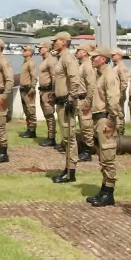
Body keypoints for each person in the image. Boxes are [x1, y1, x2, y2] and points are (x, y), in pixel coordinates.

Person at [87, 47, 121, 207]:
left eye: (95, 57)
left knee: (108, 158)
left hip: (105, 119)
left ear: (103, 59)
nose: (92, 59)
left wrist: (111, 122)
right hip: (98, 119)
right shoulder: (100, 75)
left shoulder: (109, 74)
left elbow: (113, 100)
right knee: (103, 157)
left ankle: (109, 193)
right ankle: (104, 188)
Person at [52, 31, 82, 183]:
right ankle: (68, 168)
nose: (53, 43)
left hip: (66, 102)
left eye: (56, 40)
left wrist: (71, 98)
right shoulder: (61, 58)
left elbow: (74, 78)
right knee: (65, 137)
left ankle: (71, 172)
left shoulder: (68, 58)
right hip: (61, 101)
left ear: (64, 42)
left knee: (69, 138)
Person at [76, 43, 97, 162]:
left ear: (85, 52)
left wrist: (88, 102)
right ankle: (85, 148)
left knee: (86, 126)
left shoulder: (87, 66)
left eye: (79, 50)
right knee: (83, 126)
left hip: (84, 99)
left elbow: (91, 86)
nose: (77, 52)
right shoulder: (83, 65)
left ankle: (88, 151)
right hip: (80, 98)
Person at [37, 41, 58, 147]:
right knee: (47, 114)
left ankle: (51, 137)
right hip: (43, 91)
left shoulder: (51, 60)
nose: (39, 49)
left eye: (41, 47)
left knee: (49, 114)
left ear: (46, 48)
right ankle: (50, 136)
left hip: (48, 91)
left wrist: (53, 92)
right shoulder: (44, 60)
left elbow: (54, 77)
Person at [18, 45, 39, 139]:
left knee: (31, 111)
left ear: (30, 52)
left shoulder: (31, 63)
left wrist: (32, 88)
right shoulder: (25, 62)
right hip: (23, 89)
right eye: (23, 50)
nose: (23, 51)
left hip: (28, 90)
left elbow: (34, 77)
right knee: (26, 111)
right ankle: (28, 129)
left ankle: (32, 130)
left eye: (25, 50)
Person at [112, 49, 129, 135]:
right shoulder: (115, 66)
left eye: (114, 54)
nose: (112, 56)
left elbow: (124, 82)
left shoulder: (121, 67)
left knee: (119, 115)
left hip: (119, 96)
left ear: (119, 55)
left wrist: (119, 93)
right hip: (114, 95)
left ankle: (120, 133)